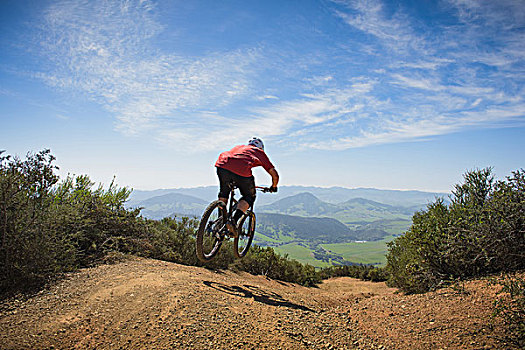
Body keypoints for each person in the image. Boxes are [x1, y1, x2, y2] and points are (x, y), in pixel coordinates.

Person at [215, 137, 279, 233]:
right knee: (249, 196)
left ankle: (220, 220)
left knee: (224, 192)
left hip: (222, 165)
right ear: (261, 148)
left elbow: (234, 161)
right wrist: (273, 187)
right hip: (241, 171)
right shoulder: (259, 152)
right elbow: (275, 174)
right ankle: (233, 221)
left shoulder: (239, 147)